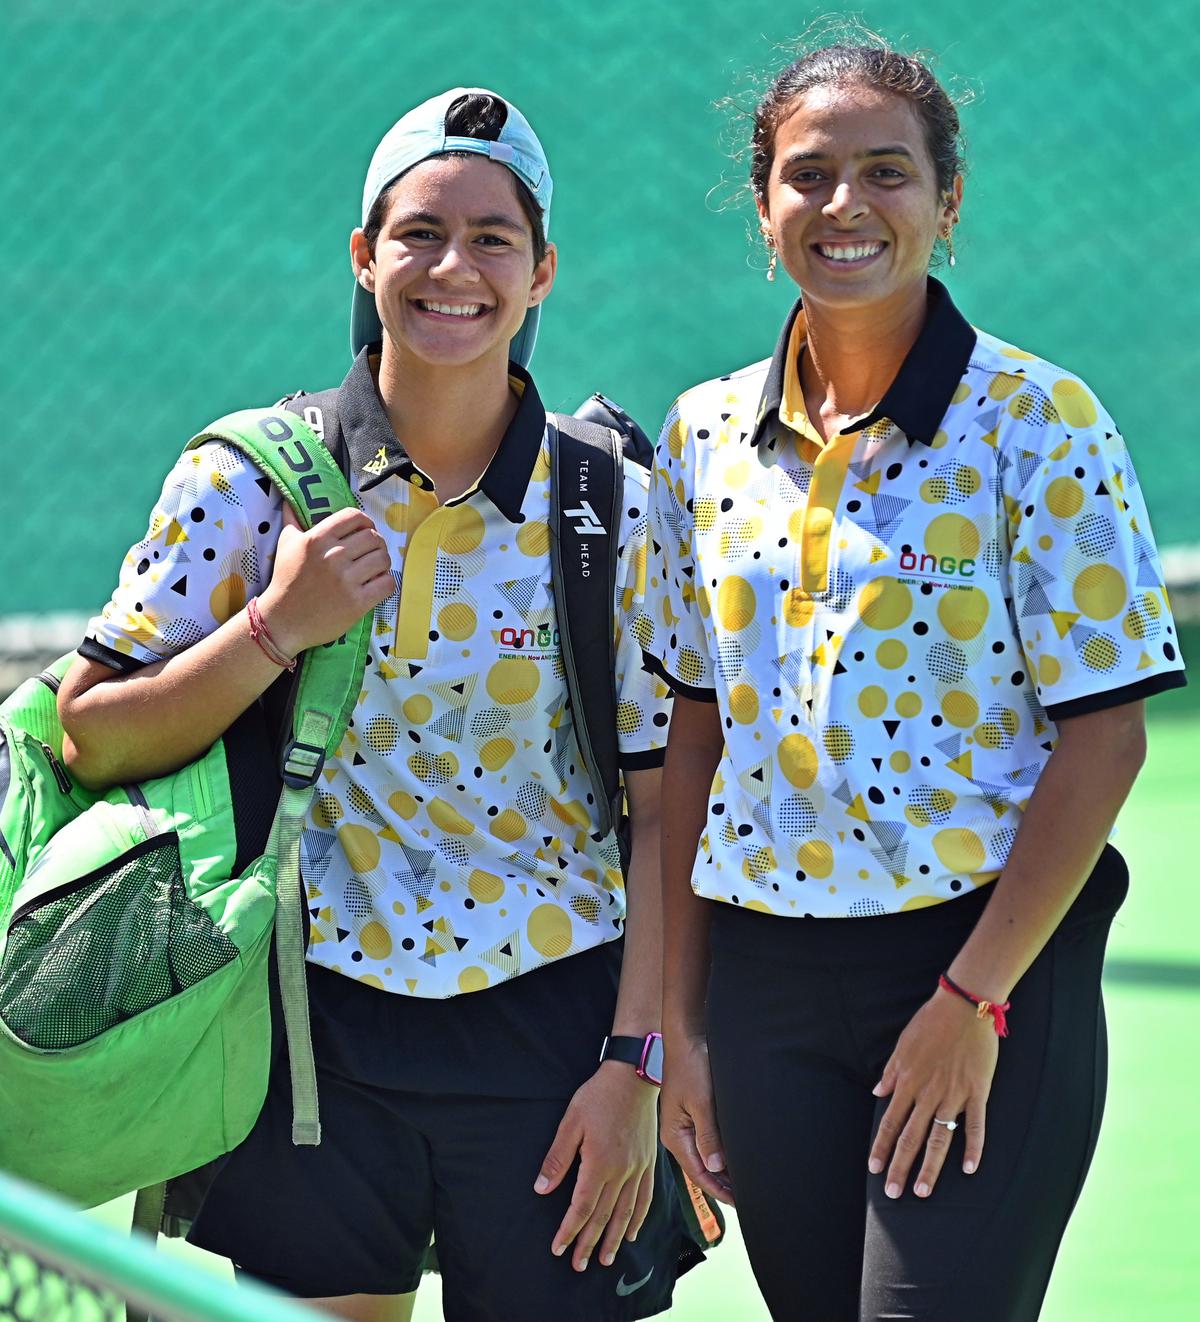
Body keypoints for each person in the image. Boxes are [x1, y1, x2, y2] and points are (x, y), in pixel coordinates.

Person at [58, 88, 696, 1322]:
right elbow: (93, 728)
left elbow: (668, 809)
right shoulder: (250, 479)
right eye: (418, 233)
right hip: (310, 1030)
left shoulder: (613, 499)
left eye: (493, 238)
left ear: (543, 270)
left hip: (558, 1030)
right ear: (364, 255)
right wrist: (271, 630)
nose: (453, 268)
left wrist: (637, 1065)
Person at [642, 38, 1187, 1322]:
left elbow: (1104, 739)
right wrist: (682, 1030)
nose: (846, 206)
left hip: (979, 969)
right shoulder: (701, 435)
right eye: (808, 174)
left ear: (948, 203)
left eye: (887, 172)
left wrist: (969, 999)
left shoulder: (1041, 421)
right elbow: (689, 737)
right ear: (763, 205)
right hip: (765, 984)